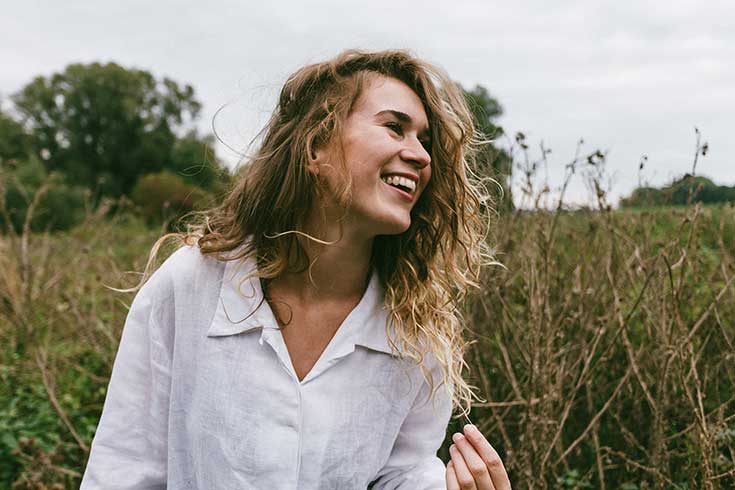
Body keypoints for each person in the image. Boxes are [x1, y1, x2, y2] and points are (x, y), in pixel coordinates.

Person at [80, 49, 511, 489]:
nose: (420, 156)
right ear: (314, 147)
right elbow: (123, 470)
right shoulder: (190, 286)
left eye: (425, 141)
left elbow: (403, 475)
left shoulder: (415, 334)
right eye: (394, 127)